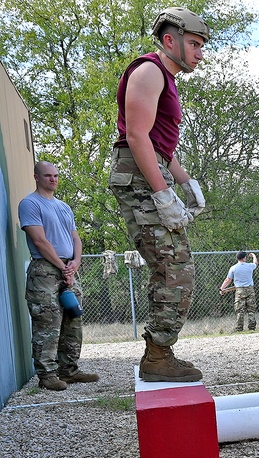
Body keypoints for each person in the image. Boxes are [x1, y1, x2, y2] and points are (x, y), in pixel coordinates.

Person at [108, 6, 209, 383]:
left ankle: (159, 352)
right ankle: (157, 356)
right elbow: (136, 136)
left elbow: (160, 144)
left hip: (151, 169)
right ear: (171, 40)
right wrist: (163, 193)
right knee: (174, 269)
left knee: (176, 267)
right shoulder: (150, 71)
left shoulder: (166, 78)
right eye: (195, 44)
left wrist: (185, 182)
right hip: (138, 174)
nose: (200, 52)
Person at [18, 161, 100, 391]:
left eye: (55, 175)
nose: (53, 179)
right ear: (36, 177)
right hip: (45, 270)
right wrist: (62, 267)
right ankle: (47, 375)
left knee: (73, 319)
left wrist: (75, 263)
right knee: (48, 322)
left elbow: (76, 238)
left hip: (68, 269)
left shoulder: (64, 207)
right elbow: (40, 240)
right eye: (47, 176)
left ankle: (69, 370)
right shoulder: (30, 204)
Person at [219, 251, 258, 331]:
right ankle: (252, 328)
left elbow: (228, 280)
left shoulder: (233, 268)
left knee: (240, 310)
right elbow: (255, 263)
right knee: (251, 310)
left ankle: (239, 328)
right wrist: (254, 255)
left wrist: (222, 288)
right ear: (244, 258)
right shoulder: (250, 266)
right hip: (250, 289)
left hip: (239, 290)